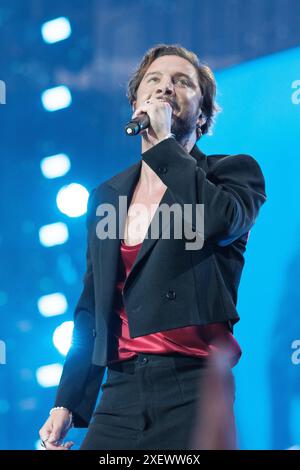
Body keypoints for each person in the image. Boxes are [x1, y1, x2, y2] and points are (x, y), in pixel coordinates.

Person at [39, 43, 267, 450]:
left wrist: (164, 144)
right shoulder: (108, 196)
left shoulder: (231, 173)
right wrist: (68, 402)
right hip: (121, 390)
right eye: (154, 81)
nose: (165, 89)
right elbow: (93, 306)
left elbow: (217, 221)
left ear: (203, 113)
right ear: (135, 103)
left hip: (192, 385)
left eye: (182, 82)